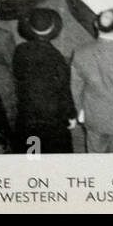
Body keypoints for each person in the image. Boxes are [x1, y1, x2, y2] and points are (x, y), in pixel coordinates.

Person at [70, 9, 113, 152]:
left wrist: (80, 111)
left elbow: (75, 88)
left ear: (96, 25)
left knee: (95, 158)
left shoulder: (79, 53)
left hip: (93, 116)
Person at [12, 9, 73, 154]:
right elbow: (63, 91)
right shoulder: (57, 58)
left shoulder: (20, 51)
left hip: (27, 116)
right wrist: (71, 114)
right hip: (52, 120)